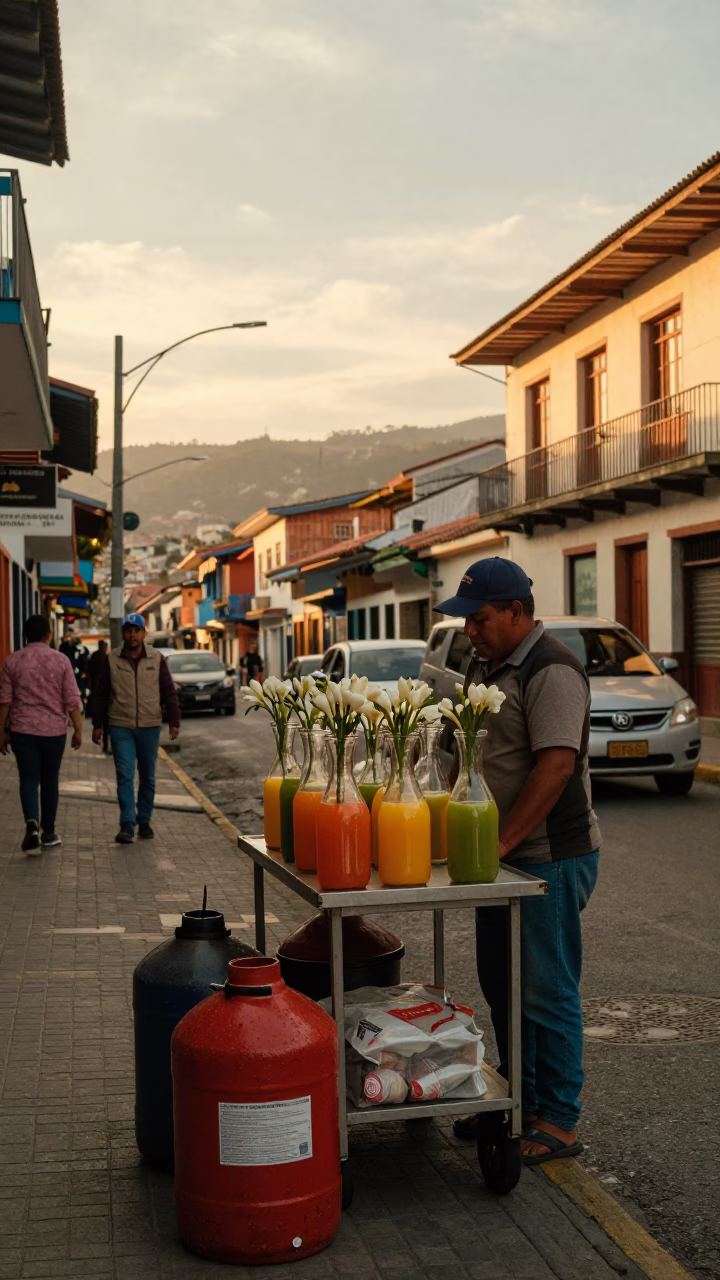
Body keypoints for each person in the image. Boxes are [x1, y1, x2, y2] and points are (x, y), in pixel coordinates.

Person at [433, 557, 600, 1166]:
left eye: (478, 619)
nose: (469, 631)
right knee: (504, 984)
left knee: (547, 989)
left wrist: (501, 843)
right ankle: (516, 1102)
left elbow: (555, 767)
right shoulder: (486, 664)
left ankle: (557, 1118)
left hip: (547, 858)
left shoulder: (551, 669)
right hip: (498, 857)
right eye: (466, 621)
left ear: (516, 613)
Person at [92, 614, 180, 844]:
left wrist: (174, 721)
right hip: (120, 726)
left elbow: (169, 691)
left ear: (144, 633)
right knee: (125, 775)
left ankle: (144, 821)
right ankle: (127, 825)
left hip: (150, 726)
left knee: (148, 777)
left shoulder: (157, 659)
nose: (132, 635)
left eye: (136, 630)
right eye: (128, 630)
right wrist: (97, 725)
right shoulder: (111, 660)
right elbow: (101, 694)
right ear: (123, 633)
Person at [0, 614, 83, 852]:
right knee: (49, 780)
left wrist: (1, 733)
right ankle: (48, 832)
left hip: (22, 730)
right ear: (48, 635)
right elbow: (71, 699)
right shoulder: (61, 660)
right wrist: (78, 729)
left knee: (28, 779)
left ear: (26, 635)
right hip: (54, 733)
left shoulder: (11, 662)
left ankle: (31, 825)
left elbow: (4, 701)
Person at [87, 640, 110, 752]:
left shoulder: (95, 656)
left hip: (96, 689)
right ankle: (106, 744)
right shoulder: (106, 658)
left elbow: (89, 671)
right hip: (103, 691)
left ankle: (106, 744)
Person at [60, 630, 90, 707]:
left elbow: (84, 658)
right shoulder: (66, 647)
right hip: (69, 672)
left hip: (77, 673)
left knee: (79, 690)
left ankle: (82, 704)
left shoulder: (80, 649)